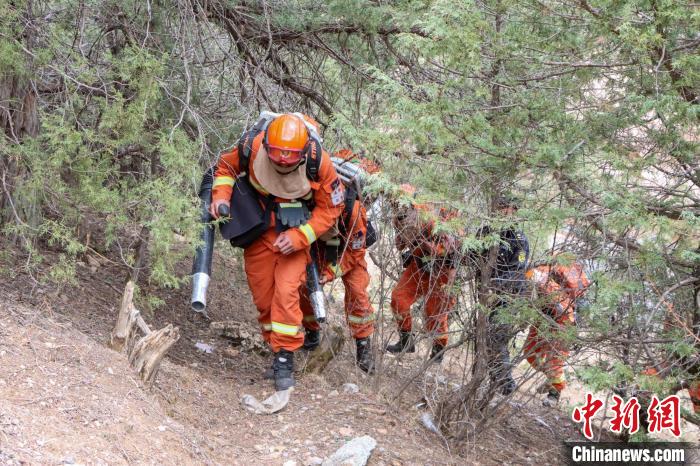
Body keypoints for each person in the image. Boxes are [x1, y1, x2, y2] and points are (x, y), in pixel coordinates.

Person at [210, 113, 344, 391]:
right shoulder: (253, 145)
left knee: (286, 292)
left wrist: (301, 237)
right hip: (259, 228)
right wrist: (221, 199)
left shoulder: (320, 163)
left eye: (290, 156)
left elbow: (331, 207)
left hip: (295, 234)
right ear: (267, 146)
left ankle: (285, 358)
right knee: (264, 296)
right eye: (277, 154)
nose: (283, 160)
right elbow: (224, 167)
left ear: (304, 152)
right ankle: (275, 347)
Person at [385, 184, 460, 363]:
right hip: (418, 265)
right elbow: (400, 245)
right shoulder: (400, 217)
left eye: (403, 202)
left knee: (435, 313)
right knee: (398, 299)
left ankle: (438, 351)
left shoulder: (435, 218)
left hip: (441, 270)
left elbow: (449, 250)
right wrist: (403, 236)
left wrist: (421, 239)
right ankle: (406, 340)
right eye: (396, 202)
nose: (400, 206)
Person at [472, 194, 530, 395]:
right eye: (501, 206)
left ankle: (504, 384)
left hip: (508, 297)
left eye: (508, 207)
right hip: (484, 296)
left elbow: (517, 271)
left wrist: (494, 286)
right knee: (479, 335)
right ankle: (478, 376)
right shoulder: (485, 232)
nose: (504, 211)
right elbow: (471, 257)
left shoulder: (520, 240)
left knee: (497, 337)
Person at [524, 259, 590, 406]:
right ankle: (551, 378)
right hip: (545, 315)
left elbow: (563, 309)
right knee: (529, 352)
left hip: (563, 321)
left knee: (555, 362)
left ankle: (554, 395)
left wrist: (562, 334)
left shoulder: (540, 278)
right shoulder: (537, 275)